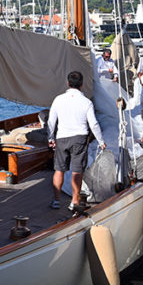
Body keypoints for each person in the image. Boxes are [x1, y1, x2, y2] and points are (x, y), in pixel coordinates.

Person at [47, 71, 106, 212]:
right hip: (79, 138)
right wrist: (101, 141)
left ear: (68, 83)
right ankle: (74, 201)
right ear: (81, 85)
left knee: (59, 169)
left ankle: (56, 201)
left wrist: (50, 138)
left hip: (62, 137)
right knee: (76, 171)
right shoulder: (86, 102)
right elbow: (94, 124)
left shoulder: (58, 99)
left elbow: (51, 121)